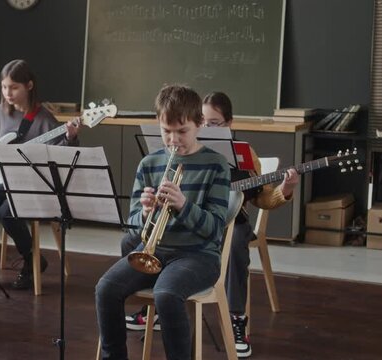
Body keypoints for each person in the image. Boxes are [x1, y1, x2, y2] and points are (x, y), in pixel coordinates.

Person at [95, 84, 230, 360]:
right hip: (154, 251)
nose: (173, 140)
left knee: (166, 294)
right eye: (166, 131)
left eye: (182, 131)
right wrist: (144, 212)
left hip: (198, 256)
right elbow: (131, 226)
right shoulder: (149, 164)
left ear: (199, 124)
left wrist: (183, 205)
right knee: (105, 289)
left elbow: (214, 229)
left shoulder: (216, 164)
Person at [202, 91, 298, 358]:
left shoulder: (244, 153)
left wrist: (285, 189)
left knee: (233, 244)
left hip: (233, 221)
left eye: (214, 123)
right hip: (200, 219)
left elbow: (264, 198)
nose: (206, 128)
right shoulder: (191, 147)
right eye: (201, 121)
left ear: (229, 123)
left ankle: (236, 319)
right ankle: (163, 305)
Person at [0, 59, 79, 292]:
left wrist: (70, 137)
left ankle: (32, 260)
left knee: (5, 212)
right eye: (4, 87)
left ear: (29, 86)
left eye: (13, 87)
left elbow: (59, 159)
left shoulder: (45, 120)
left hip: (35, 184)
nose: (7, 93)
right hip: (2, 181)